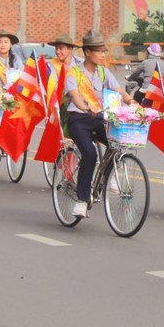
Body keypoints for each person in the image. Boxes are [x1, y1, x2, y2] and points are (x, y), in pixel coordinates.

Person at [65, 30, 134, 218]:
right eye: (99, 51)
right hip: (79, 119)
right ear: (87, 53)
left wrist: (131, 102)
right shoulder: (74, 73)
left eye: (104, 51)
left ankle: (107, 175)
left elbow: (118, 89)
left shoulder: (104, 72)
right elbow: (75, 97)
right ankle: (81, 200)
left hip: (99, 118)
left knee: (116, 143)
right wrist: (87, 108)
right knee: (90, 153)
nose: (103, 55)